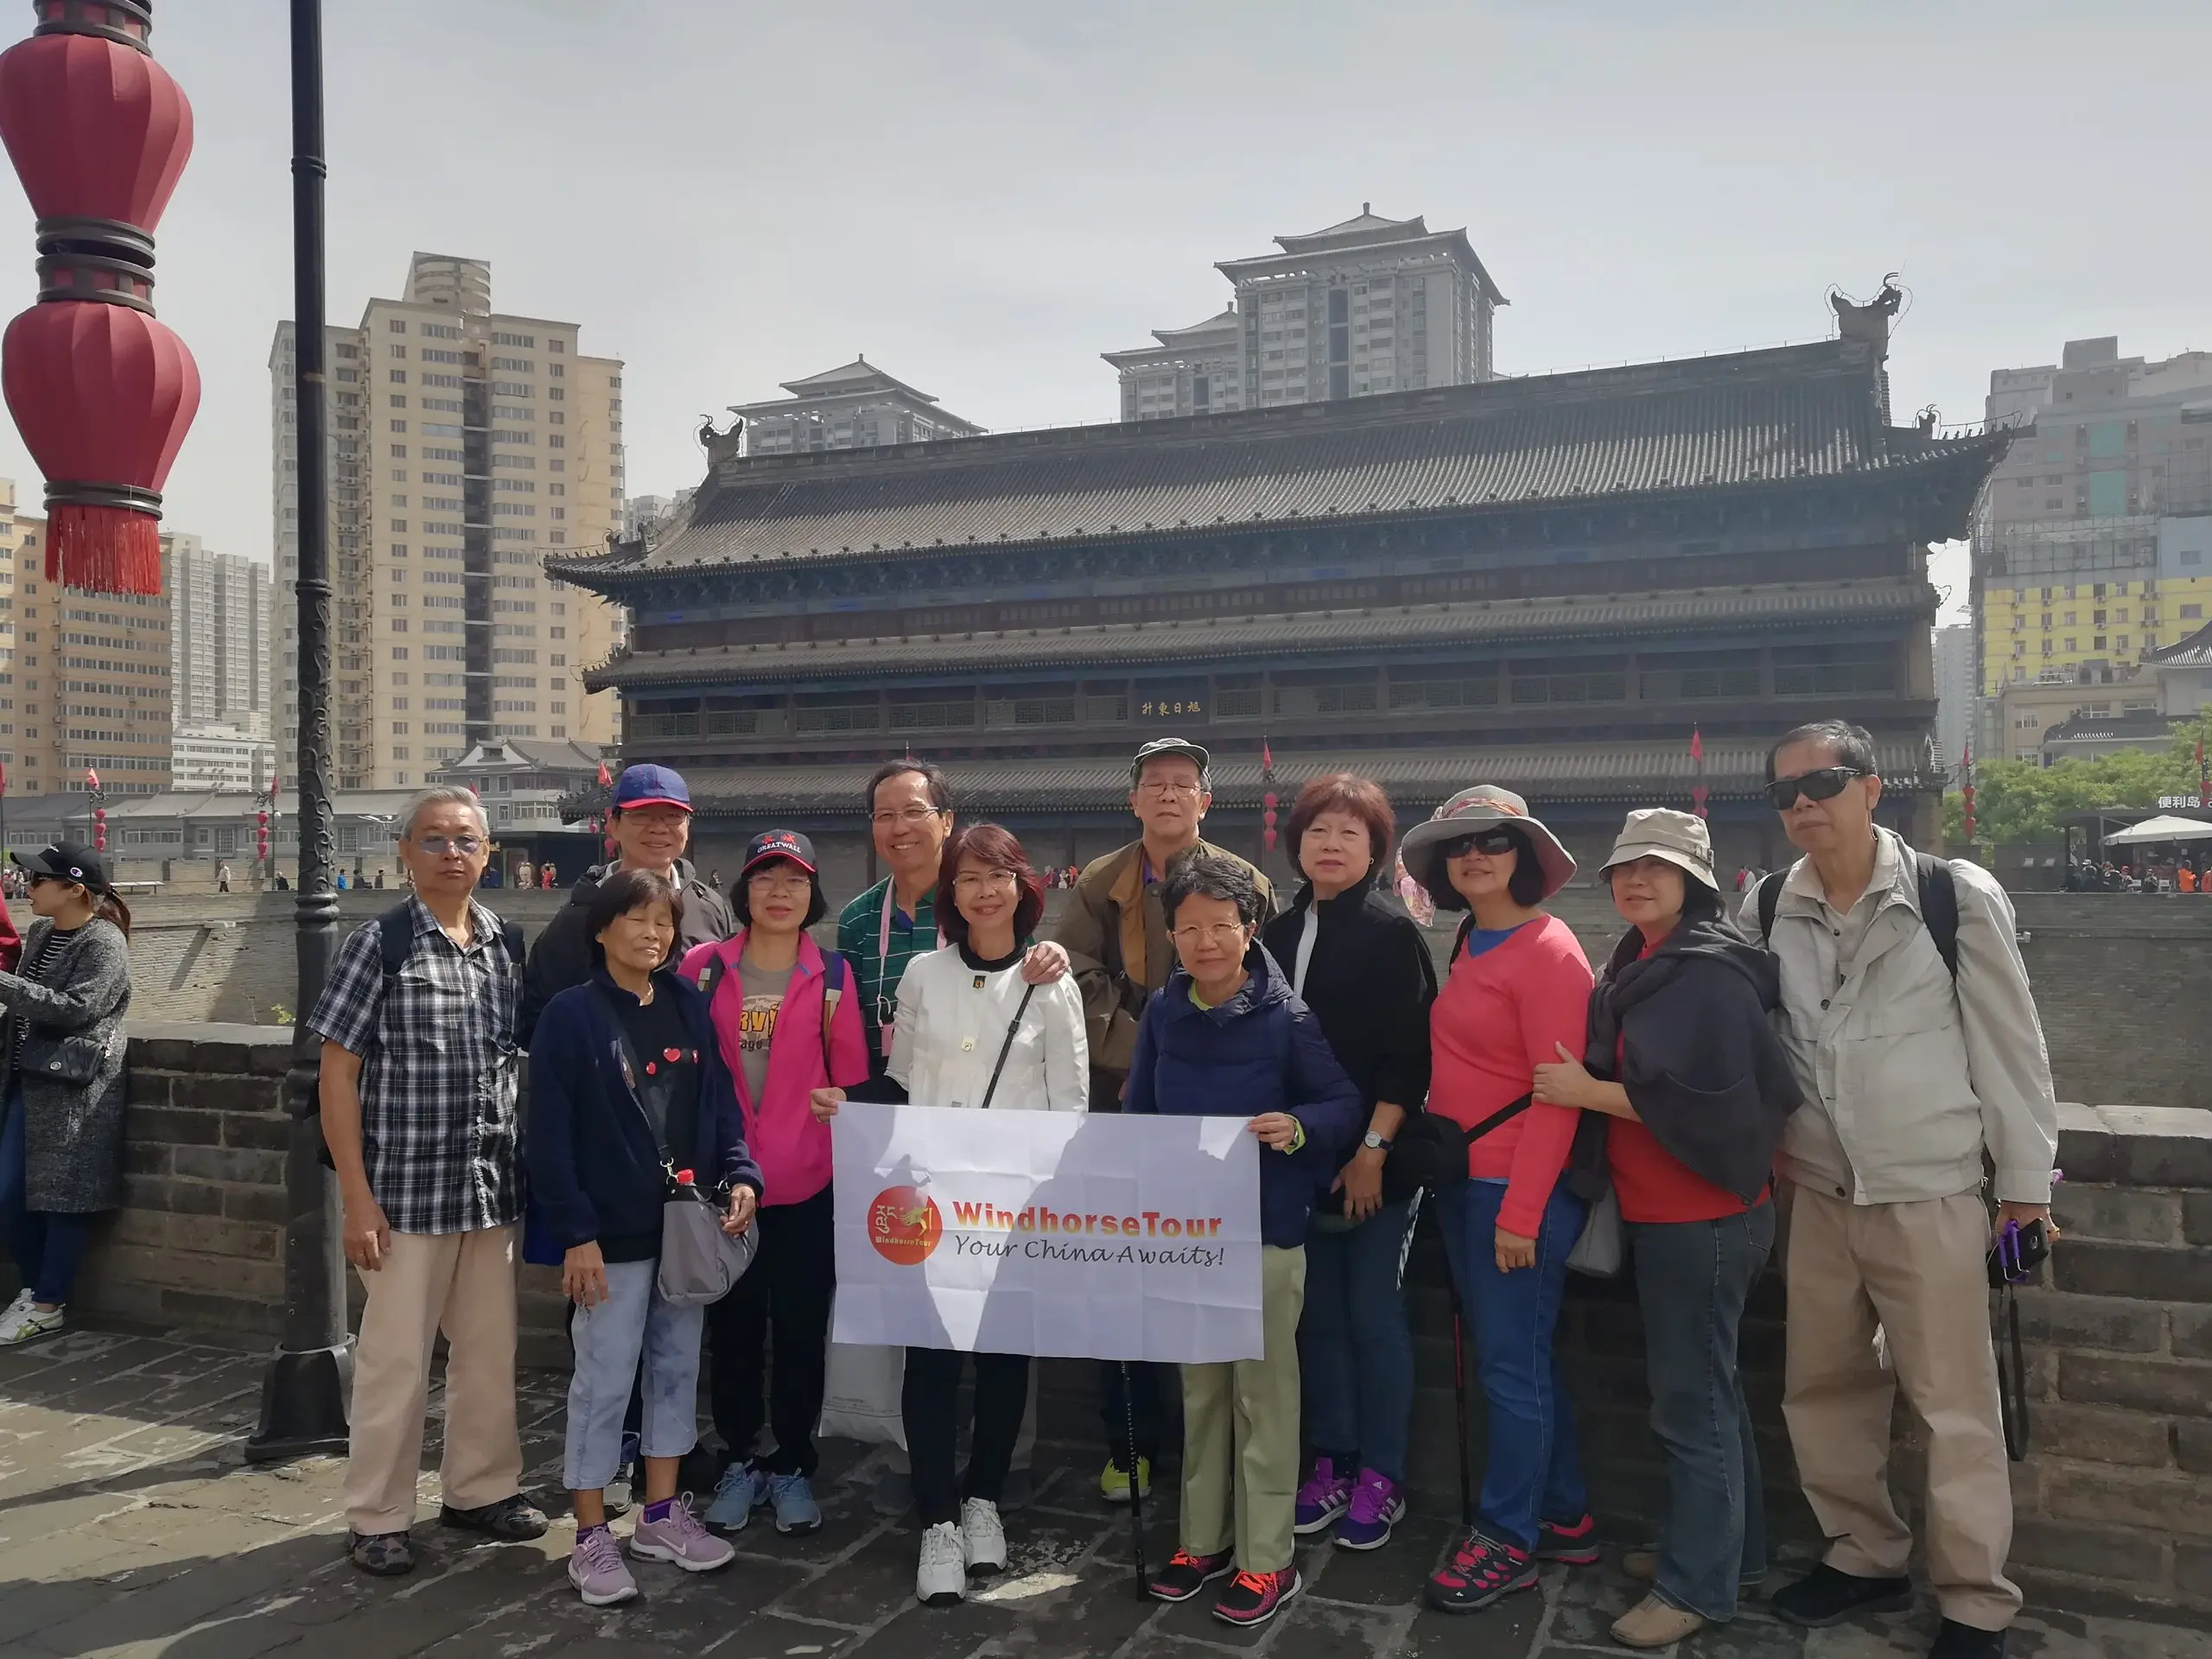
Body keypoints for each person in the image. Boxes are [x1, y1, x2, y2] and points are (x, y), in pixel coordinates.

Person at [1747, 722, 2058, 1659]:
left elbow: (2009, 1043)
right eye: (1785, 791)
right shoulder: (1767, 905)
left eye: (1824, 782)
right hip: (1818, 1187)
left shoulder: (1947, 896)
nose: (1804, 802)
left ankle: (1973, 1602)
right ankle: (1861, 1554)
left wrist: (2025, 1188)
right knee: (1823, 1388)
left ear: (1872, 788)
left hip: (1928, 1188)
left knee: (1954, 1403)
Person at [1532, 810, 1802, 1648]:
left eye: (1656, 867)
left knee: (1691, 1405)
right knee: (1708, 1395)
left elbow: (1707, 1105)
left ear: (1694, 879)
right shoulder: (1642, 961)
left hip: (1704, 1216)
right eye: (1624, 869)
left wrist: (1585, 1092)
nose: (1636, 880)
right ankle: (1731, 1552)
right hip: (1665, 1210)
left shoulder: (1709, 974)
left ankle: (1698, 1587)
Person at [813, 823, 1089, 1606]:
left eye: (997, 876)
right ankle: (937, 1519)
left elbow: (1070, 1107)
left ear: (1021, 885)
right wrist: (850, 1102)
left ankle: (984, 1502)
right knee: (931, 1363)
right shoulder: (924, 975)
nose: (984, 891)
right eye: (968, 879)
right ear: (951, 894)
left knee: (1004, 1362)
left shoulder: (1051, 982)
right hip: (931, 1203)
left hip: (1013, 1204)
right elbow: (900, 1083)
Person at [307, 786, 547, 1576]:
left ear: (488, 853)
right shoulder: (378, 944)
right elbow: (337, 1077)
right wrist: (356, 1197)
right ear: (405, 853)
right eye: (435, 840)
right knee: (395, 1362)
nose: (453, 853)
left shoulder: (504, 943)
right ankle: (378, 1513)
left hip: (486, 1187)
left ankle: (480, 1489)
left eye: (467, 840)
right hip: (403, 1194)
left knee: (487, 1352)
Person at [1127, 850, 1359, 1628]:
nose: (1205, 943)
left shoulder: (1286, 1017)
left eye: (1220, 927)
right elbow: (1139, 1113)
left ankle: (1268, 1557)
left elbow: (1341, 1104)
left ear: (1249, 929)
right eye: (1188, 929)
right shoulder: (1163, 1013)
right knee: (1200, 1390)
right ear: (1172, 938)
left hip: (1264, 1230)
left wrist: (1296, 1128)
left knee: (1263, 1395)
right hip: (1188, 1232)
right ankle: (1203, 1539)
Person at [528, 868, 760, 1605]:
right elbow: (549, 1136)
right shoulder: (571, 1016)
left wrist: (741, 1174)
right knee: (603, 1381)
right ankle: (591, 1533)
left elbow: (719, 1105)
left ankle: (660, 1514)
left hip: (684, 1224)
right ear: (601, 930)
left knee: (673, 1370)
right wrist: (575, 1233)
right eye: (636, 920)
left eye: (663, 921)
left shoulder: (688, 1004)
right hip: (610, 1234)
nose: (653, 934)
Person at [1052, 736, 1275, 1503]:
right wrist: (1142, 1035)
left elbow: (1267, 984)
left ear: (1206, 801)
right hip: (1124, 1096)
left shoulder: (1244, 883)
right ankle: (1133, 1442)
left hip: (1221, 1100)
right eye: (1156, 784)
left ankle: (1230, 1455)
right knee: (1124, 1277)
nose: (1170, 795)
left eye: (1185, 784)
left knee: (1215, 1267)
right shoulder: (1100, 883)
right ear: (1135, 799)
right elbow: (1073, 972)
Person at [1398, 785, 1597, 1614]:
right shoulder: (1475, 938)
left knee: (1512, 1372)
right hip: (1464, 1180)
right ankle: (1565, 1514)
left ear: (1526, 857)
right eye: (1458, 846)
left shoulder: (1550, 951)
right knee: (1521, 1361)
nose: (1474, 857)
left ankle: (1506, 1538)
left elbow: (1560, 1094)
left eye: (1493, 842)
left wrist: (1521, 1212)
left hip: (1514, 1189)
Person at [1258, 774, 1435, 1553]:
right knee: (1318, 1322)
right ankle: (1332, 1459)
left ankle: (1383, 1473)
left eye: (1350, 834)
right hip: (1297, 1158)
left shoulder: (1392, 932)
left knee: (1374, 1316)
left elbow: (1408, 1058)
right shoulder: (1277, 927)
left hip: (1374, 1162)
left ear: (1375, 850)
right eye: (1319, 831)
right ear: (1297, 841)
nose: (1331, 846)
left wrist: (1372, 1151)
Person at [683, 830, 870, 1535]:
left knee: (796, 1331)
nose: (780, 892)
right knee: (731, 1330)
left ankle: (791, 1459)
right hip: (724, 1185)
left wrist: (844, 1103)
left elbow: (850, 1081)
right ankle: (738, 1455)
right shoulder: (702, 969)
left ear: (813, 894)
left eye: (794, 880)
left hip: (805, 1182)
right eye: (765, 877)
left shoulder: (834, 979)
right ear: (744, 890)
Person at [0, 845, 131, 1345]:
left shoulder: (104, 943)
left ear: (74, 888)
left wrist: (3, 986)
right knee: (10, 1196)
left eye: (35, 880)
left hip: (74, 1090)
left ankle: (48, 1303)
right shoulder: (39, 933)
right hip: (25, 1083)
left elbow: (76, 1009)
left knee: (65, 1200)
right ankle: (33, 1288)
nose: (25, 887)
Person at [523, 765, 734, 1046]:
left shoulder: (709, 907)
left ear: (687, 826)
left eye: (673, 816)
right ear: (614, 825)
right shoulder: (578, 916)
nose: (659, 828)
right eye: (642, 815)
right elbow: (539, 1019)